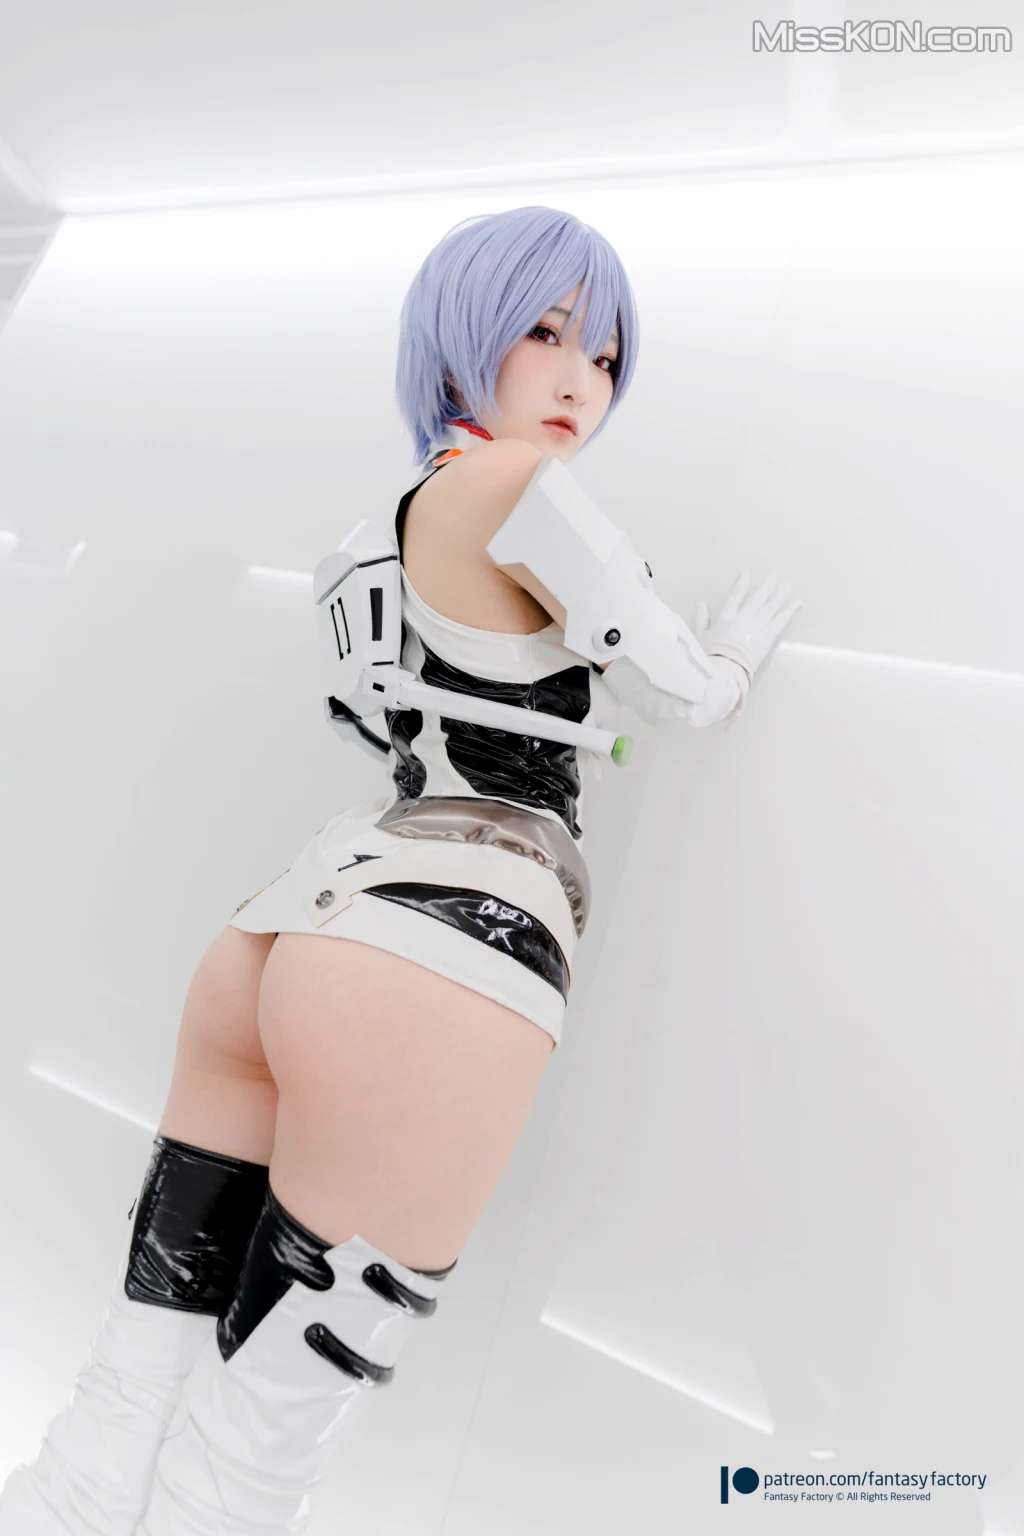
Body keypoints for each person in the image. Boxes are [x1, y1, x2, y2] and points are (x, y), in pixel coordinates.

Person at [0, 205, 801, 1535]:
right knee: (241, 1479)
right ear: (464, 332)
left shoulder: (384, 527)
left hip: (288, 935)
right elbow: (680, 689)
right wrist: (726, 659)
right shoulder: (517, 486)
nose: (579, 379)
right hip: (449, 945)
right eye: (545, 333)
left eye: (605, 355)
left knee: (113, 1424)